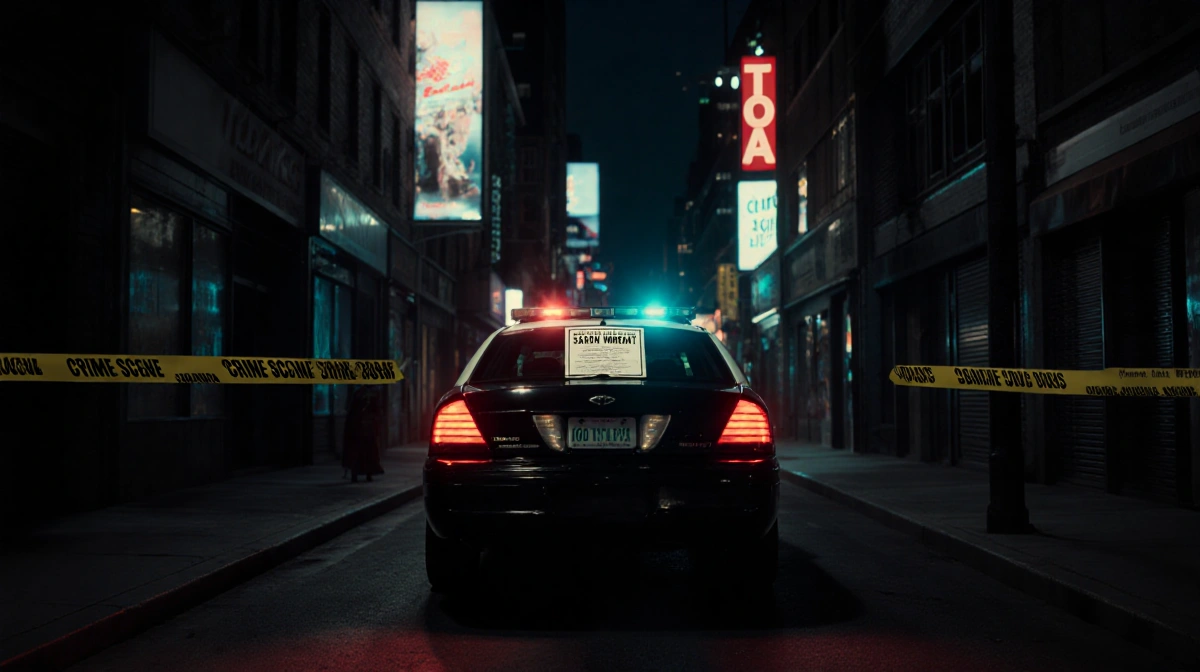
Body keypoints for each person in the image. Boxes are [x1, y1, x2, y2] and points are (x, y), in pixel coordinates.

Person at [343, 385, 385, 483]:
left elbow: (377, 411)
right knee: (358, 452)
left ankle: (367, 474)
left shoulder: (372, 394)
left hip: (367, 429)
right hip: (358, 429)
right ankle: (357, 474)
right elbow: (351, 411)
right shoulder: (357, 393)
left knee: (368, 452)